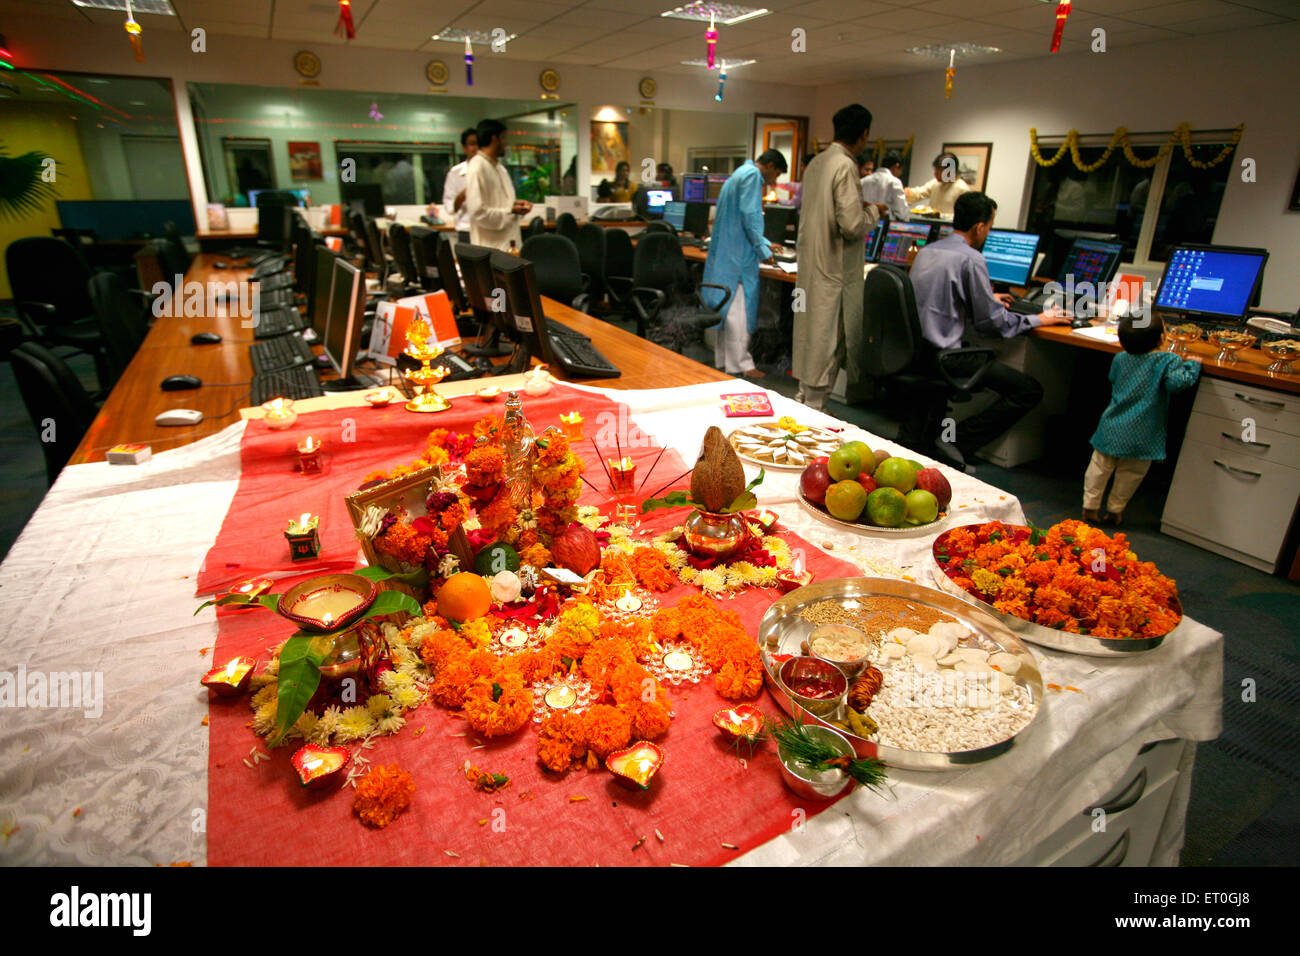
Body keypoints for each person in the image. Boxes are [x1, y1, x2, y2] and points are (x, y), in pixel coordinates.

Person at [903, 191, 1070, 467]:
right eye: (990, 226)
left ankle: (942, 437)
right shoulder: (971, 259)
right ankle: (959, 440)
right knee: (1028, 390)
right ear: (980, 227)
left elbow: (937, 295)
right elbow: (992, 323)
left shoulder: (928, 251)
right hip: (946, 358)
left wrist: (985, 298)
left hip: (918, 351)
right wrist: (1040, 318)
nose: (988, 233)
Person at [793, 104, 888, 410]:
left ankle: (804, 407)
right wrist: (876, 210)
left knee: (811, 343)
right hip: (833, 274)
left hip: (811, 271)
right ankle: (813, 419)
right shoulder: (846, 166)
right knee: (826, 348)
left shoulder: (817, 163)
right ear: (864, 135)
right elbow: (851, 225)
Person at [1084, 312, 1200, 525]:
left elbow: (1113, 378)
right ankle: (1115, 510)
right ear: (1161, 339)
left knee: (1099, 468)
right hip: (1143, 432)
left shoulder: (1120, 358)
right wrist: (1193, 365)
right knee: (1130, 473)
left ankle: (1090, 505)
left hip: (1111, 426)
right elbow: (1177, 384)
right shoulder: (1168, 360)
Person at [701, 149, 788, 379]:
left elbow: (741, 218)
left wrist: (766, 242)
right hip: (738, 257)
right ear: (769, 165)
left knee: (727, 310)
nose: (774, 180)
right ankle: (742, 364)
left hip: (728, 253)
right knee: (738, 314)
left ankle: (725, 360)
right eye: (776, 174)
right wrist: (762, 249)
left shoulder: (739, 173)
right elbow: (750, 216)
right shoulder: (752, 177)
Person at [465, 118, 532, 251]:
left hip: (509, 245)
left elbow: (501, 203)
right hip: (490, 249)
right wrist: (510, 210)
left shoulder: (499, 168)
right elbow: (477, 212)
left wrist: (516, 205)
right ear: (494, 139)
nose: (505, 143)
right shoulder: (477, 166)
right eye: (503, 138)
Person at [437, 128, 478, 241]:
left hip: (490, 231)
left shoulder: (495, 170)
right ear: (464, 148)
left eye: (479, 144)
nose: (476, 148)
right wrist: (460, 198)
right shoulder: (456, 172)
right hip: (467, 230)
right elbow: (450, 208)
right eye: (472, 144)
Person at [906, 151, 971, 217]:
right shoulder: (935, 183)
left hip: (949, 226)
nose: (935, 174)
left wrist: (940, 215)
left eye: (939, 170)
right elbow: (920, 192)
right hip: (933, 225)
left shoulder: (962, 189)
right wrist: (908, 193)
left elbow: (964, 217)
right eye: (935, 170)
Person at [861, 151, 909, 221]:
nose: (900, 174)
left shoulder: (863, 181)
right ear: (897, 165)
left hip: (863, 226)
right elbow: (902, 213)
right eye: (901, 170)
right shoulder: (894, 182)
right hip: (883, 226)